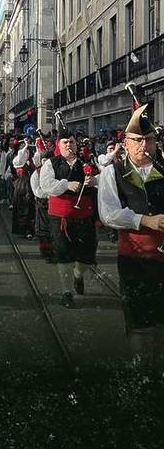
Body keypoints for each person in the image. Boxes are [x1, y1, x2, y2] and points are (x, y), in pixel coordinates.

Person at [98, 106, 164, 364]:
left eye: (149, 139)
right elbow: (108, 214)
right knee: (139, 319)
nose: (144, 145)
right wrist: (145, 220)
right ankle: (140, 369)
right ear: (125, 143)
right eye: (137, 140)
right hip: (135, 258)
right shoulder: (113, 172)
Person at [40, 122, 98, 308]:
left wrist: (94, 181)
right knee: (63, 254)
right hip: (60, 217)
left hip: (84, 216)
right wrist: (66, 184)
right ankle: (66, 292)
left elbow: (104, 179)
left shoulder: (87, 162)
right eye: (65, 142)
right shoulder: (51, 163)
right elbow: (46, 186)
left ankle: (78, 274)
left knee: (87, 255)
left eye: (71, 142)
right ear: (59, 144)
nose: (69, 145)